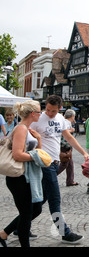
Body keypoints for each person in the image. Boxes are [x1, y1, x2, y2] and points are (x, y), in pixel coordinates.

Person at [30, 95, 88, 244]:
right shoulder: (37, 119)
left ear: (60, 109)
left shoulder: (60, 119)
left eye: (53, 111)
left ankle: (18, 227)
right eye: (47, 109)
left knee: (40, 200)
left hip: (55, 163)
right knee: (55, 199)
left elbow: (69, 137)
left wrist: (84, 153)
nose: (49, 113)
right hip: (45, 164)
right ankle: (65, 233)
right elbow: (27, 139)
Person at [0, 100, 43, 247]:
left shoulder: (28, 129)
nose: (40, 114)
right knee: (26, 213)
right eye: (39, 112)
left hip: (27, 176)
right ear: (32, 113)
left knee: (36, 208)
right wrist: (36, 157)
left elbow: (39, 152)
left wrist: (38, 139)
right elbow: (17, 155)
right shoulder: (21, 129)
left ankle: (3, 234)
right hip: (18, 177)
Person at [57, 109, 79, 187]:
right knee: (65, 163)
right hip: (65, 145)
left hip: (65, 145)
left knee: (70, 163)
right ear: (72, 116)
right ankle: (52, 176)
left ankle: (70, 180)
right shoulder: (66, 122)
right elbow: (63, 132)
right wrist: (71, 130)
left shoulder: (65, 121)